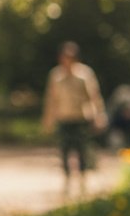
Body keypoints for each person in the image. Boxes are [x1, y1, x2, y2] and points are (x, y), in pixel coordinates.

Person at [41, 41, 107, 191]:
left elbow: (94, 96)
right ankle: (67, 181)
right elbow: (51, 99)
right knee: (65, 150)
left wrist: (98, 115)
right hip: (64, 117)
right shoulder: (56, 76)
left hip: (80, 118)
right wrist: (48, 119)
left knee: (81, 150)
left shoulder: (85, 74)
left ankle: (83, 181)